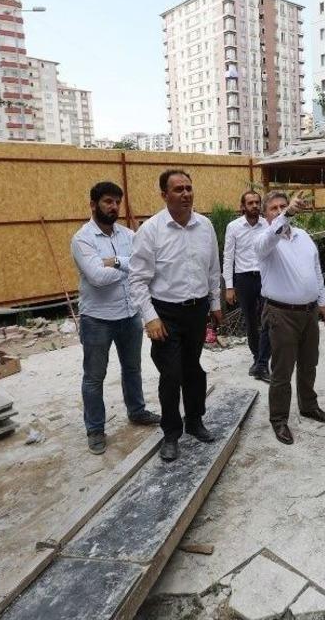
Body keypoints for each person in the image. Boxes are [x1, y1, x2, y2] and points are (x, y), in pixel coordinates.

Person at [129, 169, 222, 463]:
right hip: (165, 314)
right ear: (164, 195)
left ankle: (195, 421)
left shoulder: (205, 226)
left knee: (193, 369)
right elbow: (137, 279)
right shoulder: (151, 230)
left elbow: (213, 269)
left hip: (197, 311)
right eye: (178, 189)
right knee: (171, 374)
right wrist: (150, 317)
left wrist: (216, 303)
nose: (185, 194)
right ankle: (171, 433)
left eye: (188, 188)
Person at [70, 181, 161, 455]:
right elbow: (97, 278)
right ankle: (95, 428)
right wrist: (130, 265)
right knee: (94, 377)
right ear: (93, 204)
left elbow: (147, 266)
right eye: (108, 201)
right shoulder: (82, 239)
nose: (113, 207)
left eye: (116, 202)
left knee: (132, 368)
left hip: (129, 314)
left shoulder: (129, 235)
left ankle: (137, 411)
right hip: (97, 318)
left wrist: (117, 262)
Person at [255, 191, 325, 445]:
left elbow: (316, 270)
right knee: (282, 370)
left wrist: (322, 301)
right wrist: (287, 214)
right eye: (274, 209)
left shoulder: (303, 237)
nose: (279, 211)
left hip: (308, 312)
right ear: (265, 215)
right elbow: (267, 240)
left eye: (282, 207)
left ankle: (308, 406)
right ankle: (279, 419)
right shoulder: (264, 241)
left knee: (309, 364)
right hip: (281, 314)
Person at [223, 190, 271, 381]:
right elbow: (228, 256)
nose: (254, 206)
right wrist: (229, 286)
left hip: (266, 277)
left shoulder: (267, 224)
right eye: (250, 203)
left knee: (268, 319)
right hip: (244, 279)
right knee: (251, 321)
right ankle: (257, 358)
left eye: (257, 202)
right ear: (243, 206)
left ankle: (262, 361)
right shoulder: (233, 227)